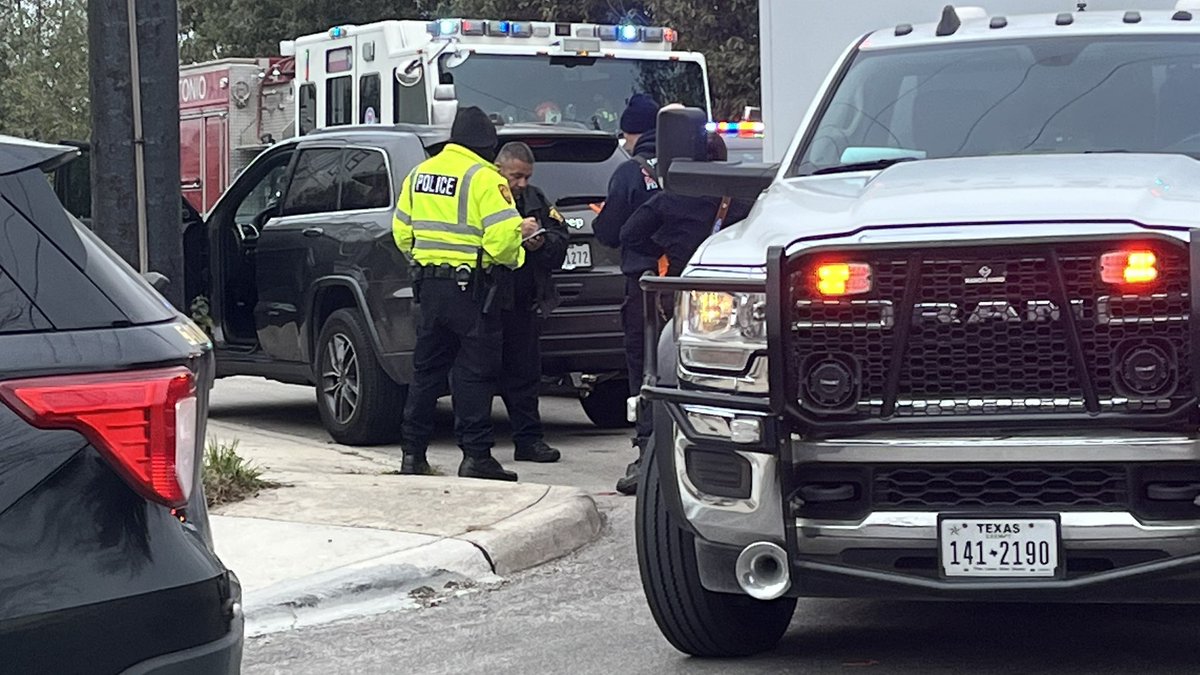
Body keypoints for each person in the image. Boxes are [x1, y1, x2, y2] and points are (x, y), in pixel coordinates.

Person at [392, 106, 537, 482]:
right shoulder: (486, 179)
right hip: (472, 291)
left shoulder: (420, 173)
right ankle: (475, 457)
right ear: (487, 145)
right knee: (474, 374)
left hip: (429, 287)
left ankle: (412, 454)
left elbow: (402, 231)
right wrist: (516, 256)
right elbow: (503, 240)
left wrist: (425, 261)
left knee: (426, 372)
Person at [592, 93, 662, 495]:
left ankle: (647, 456)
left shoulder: (629, 173)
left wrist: (602, 218)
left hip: (645, 288)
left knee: (646, 371)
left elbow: (610, 231)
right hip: (696, 289)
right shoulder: (687, 167)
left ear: (631, 132)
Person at [494, 141, 570, 463]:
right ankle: (476, 446)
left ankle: (528, 441)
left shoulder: (535, 199)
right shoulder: (489, 195)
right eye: (516, 176)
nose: (521, 183)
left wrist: (541, 245)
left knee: (525, 376)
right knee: (478, 375)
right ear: (500, 169)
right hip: (487, 299)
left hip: (524, 301)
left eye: (526, 176)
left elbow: (560, 237)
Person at [620, 133, 754, 281]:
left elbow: (629, 234)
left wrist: (661, 253)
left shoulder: (668, 199)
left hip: (679, 280)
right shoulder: (745, 200)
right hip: (726, 281)